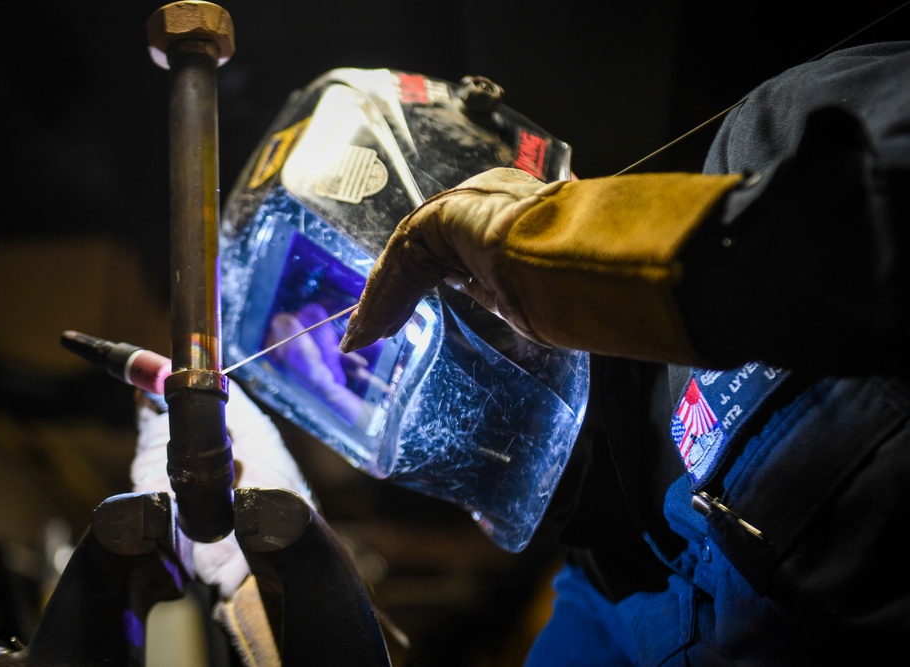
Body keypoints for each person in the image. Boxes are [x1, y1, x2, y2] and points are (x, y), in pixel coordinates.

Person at [337, 41, 910, 664]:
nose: (384, 387)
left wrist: (584, 245)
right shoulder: (601, 601)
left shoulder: (775, 133)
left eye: (388, 343)